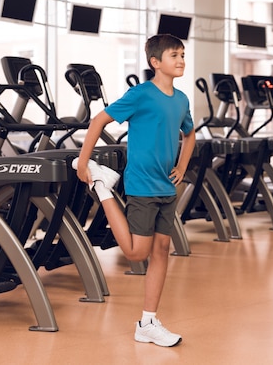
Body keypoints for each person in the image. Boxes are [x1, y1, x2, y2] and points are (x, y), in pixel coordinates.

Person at [73, 34, 196, 347]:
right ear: (155, 62)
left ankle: (148, 321)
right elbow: (99, 120)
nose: (181, 60)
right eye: (174, 55)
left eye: (182, 54)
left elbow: (190, 134)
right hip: (142, 183)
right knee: (136, 253)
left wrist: (182, 166)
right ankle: (103, 187)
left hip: (167, 185)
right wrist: (84, 163)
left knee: (161, 251)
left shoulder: (181, 99)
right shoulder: (140, 94)